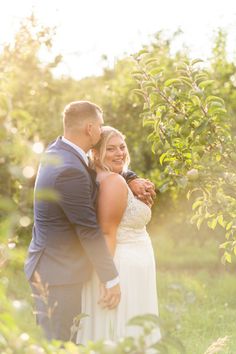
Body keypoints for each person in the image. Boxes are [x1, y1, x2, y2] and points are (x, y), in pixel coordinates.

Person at [24, 101, 156, 343]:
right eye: (100, 126)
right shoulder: (70, 169)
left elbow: (97, 169)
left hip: (53, 267)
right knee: (60, 344)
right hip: (59, 273)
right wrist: (111, 278)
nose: (101, 130)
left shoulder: (59, 152)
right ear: (90, 128)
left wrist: (130, 177)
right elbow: (88, 230)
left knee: (68, 340)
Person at [77, 126, 161, 345]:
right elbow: (107, 232)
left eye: (122, 147)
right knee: (123, 329)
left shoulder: (110, 176)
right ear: (96, 153)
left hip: (134, 263)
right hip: (122, 265)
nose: (120, 153)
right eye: (110, 149)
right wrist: (109, 278)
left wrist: (131, 179)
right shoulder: (112, 182)